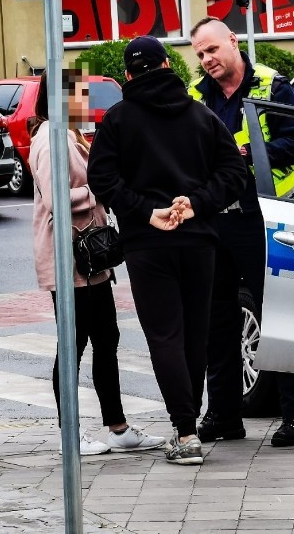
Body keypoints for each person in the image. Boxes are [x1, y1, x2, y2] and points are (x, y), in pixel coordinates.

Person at [88, 36, 246, 465]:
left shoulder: (117, 120)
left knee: (165, 336)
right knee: (195, 335)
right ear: (165, 65)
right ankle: (188, 427)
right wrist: (196, 203)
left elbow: (101, 178)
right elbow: (234, 173)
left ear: (127, 75)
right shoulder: (201, 114)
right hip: (199, 241)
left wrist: (145, 210)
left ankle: (185, 432)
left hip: (148, 242)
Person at [188, 17, 294, 448]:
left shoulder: (271, 87)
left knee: (278, 315)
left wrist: (245, 154)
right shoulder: (196, 98)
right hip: (215, 220)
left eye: (211, 50)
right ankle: (223, 414)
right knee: (217, 319)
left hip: (263, 219)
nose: (206, 60)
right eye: (200, 54)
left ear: (233, 42)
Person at [29, 67, 165, 456]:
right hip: (69, 259)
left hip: (90, 259)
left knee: (106, 339)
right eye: (79, 96)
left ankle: (118, 427)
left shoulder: (69, 136)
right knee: (73, 345)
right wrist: (97, 190)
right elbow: (57, 199)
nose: (85, 103)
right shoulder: (50, 140)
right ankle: (68, 433)